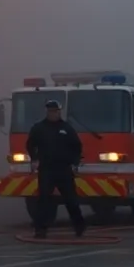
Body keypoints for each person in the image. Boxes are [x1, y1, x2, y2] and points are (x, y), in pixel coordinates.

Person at [26, 98, 86, 239]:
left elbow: (77, 146)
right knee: (44, 200)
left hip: (64, 169)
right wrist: (34, 158)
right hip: (46, 169)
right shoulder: (39, 128)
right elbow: (30, 144)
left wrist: (75, 162)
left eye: (56, 111)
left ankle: (79, 227)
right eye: (51, 111)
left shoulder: (66, 128)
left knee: (71, 200)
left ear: (59, 112)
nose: (53, 114)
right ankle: (40, 230)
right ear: (47, 112)